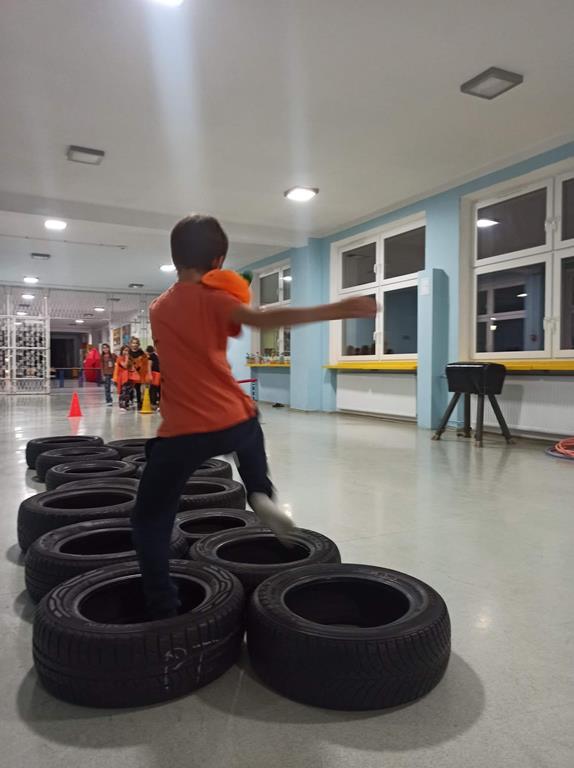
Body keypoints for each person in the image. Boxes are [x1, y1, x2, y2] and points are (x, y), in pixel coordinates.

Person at [131, 213, 376, 619]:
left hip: (183, 431)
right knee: (250, 436)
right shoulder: (216, 299)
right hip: (235, 419)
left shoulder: (159, 308)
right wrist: (338, 309)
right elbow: (262, 319)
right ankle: (259, 492)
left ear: (175, 258)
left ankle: (162, 603)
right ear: (218, 260)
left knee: (150, 518)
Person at [128, 336, 149, 410]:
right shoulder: (128, 352)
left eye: (136, 343)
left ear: (138, 344)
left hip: (139, 374)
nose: (135, 344)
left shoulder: (142, 353)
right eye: (133, 343)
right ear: (130, 344)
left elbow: (145, 363)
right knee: (129, 388)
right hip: (130, 373)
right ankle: (129, 401)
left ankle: (139, 403)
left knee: (138, 389)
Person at [114, 344, 132, 409]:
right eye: (125, 350)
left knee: (128, 392)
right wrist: (127, 358)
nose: (126, 352)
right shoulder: (119, 358)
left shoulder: (130, 358)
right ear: (122, 351)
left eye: (127, 351)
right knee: (123, 392)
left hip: (129, 377)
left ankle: (126, 404)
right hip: (121, 378)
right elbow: (125, 366)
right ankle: (122, 405)